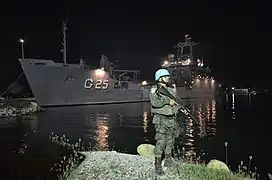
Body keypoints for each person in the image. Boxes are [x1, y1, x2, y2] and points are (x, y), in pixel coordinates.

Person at [150, 68, 180, 175]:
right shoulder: (155, 89)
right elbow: (155, 103)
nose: (168, 77)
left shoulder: (170, 89)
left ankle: (168, 160)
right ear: (160, 78)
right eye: (166, 76)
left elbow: (175, 103)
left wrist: (178, 108)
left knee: (170, 140)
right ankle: (157, 165)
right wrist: (168, 101)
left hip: (171, 119)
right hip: (161, 119)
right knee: (161, 141)